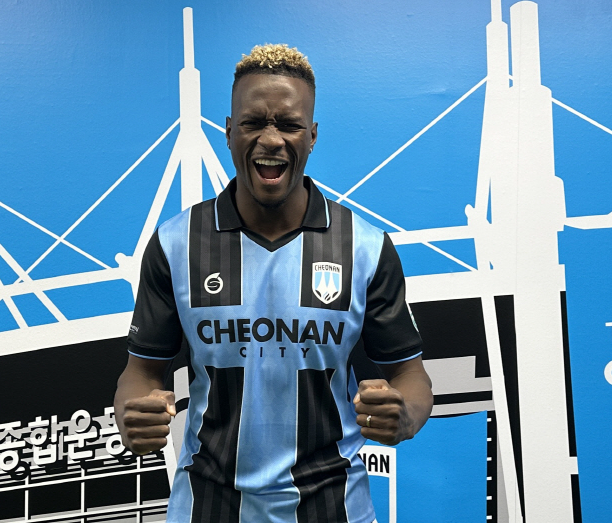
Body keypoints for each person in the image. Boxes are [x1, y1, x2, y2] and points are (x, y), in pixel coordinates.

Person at [115, 44, 433, 523]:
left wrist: (405, 413)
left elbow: (411, 374)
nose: (271, 139)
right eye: (253, 123)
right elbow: (141, 371)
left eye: (288, 124)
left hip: (334, 507)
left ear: (312, 136)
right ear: (228, 131)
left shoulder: (364, 247)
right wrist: (132, 413)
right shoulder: (176, 244)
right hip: (208, 506)